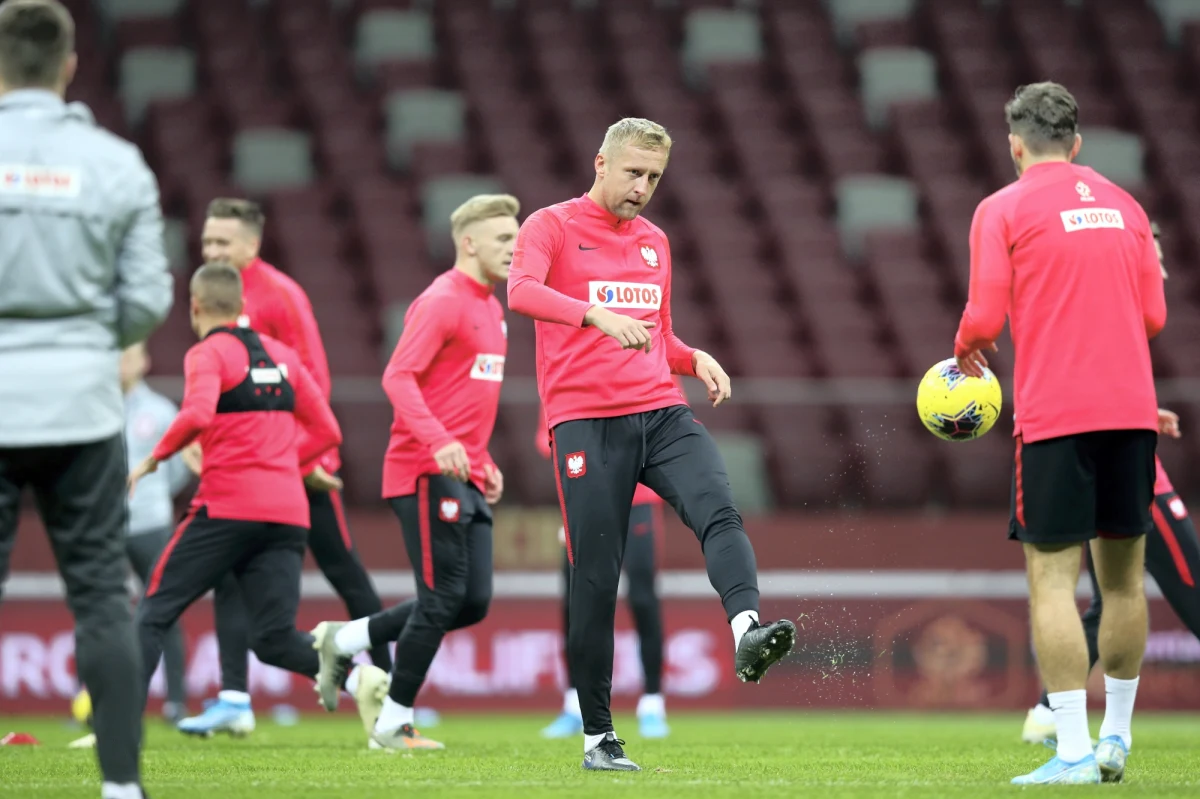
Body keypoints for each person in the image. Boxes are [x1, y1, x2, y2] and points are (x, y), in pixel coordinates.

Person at [507, 117, 796, 772]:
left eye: (654, 177)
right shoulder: (551, 226)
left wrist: (694, 358)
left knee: (718, 509)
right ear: (600, 163)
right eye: (633, 172)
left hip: (661, 410)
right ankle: (598, 737)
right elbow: (520, 291)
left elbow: (658, 334)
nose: (642, 187)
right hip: (586, 421)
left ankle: (746, 630)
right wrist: (594, 315)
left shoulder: (655, 242)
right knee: (595, 578)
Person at [953, 82, 1166, 785]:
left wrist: (966, 346)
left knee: (1052, 581)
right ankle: (1117, 738)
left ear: (1015, 147)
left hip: (1057, 416)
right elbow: (1155, 317)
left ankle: (1072, 749)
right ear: (1076, 144)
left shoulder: (1002, 207)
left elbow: (985, 315)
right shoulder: (1127, 206)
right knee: (1124, 582)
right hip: (1132, 410)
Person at [0, 1, 173, 796]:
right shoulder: (116, 162)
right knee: (103, 595)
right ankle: (122, 786)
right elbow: (147, 299)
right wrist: (81, 337)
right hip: (83, 404)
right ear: (69, 65)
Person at [128, 263, 390, 746]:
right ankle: (359, 679)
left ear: (195, 307)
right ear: (242, 306)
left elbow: (197, 413)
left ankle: (118, 729)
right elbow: (328, 431)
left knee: (154, 612)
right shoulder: (283, 356)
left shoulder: (208, 353)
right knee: (272, 637)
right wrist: (284, 462)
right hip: (286, 515)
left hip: (226, 508)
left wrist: (155, 457)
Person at [310, 194, 517, 751]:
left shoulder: (493, 309)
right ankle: (392, 722)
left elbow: (461, 397)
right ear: (468, 242)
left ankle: (344, 639)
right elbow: (397, 377)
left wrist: (483, 460)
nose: (514, 249)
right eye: (504, 239)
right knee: (442, 597)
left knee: (471, 602)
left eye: (516, 239)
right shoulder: (442, 300)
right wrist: (441, 441)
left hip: (464, 472)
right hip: (424, 469)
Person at [1022, 226, 1200, 747]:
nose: (1161, 269)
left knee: (1109, 600)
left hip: (1094, 458)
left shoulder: (1101, 308)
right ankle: (1057, 714)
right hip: (1135, 475)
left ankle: (1047, 711)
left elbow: (1093, 372)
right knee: (1189, 582)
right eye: (1155, 257)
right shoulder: (1126, 310)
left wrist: (1144, 408)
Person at [535, 389, 675, 740]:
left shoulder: (647, 363)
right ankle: (574, 704)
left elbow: (668, 423)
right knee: (576, 600)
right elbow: (548, 435)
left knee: (643, 598)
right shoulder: (569, 371)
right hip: (586, 494)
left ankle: (653, 703)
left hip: (639, 500)